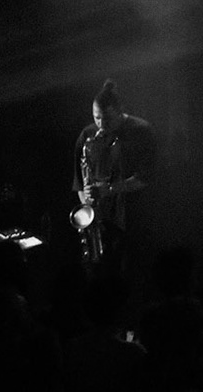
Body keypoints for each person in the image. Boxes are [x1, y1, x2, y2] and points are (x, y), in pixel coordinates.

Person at [72, 79, 157, 279]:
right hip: (101, 221)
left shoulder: (141, 131)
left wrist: (108, 190)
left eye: (107, 119)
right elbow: (80, 182)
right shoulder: (87, 135)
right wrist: (89, 215)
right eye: (97, 118)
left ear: (120, 112)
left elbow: (146, 178)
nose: (101, 125)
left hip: (133, 219)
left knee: (132, 273)